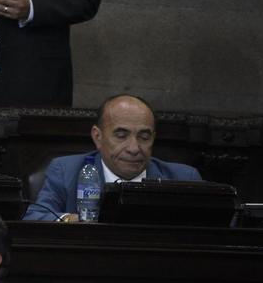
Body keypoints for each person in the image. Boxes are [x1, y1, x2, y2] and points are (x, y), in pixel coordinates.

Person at [23, 94, 203, 222]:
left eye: (144, 137)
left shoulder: (184, 178)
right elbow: (34, 216)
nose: (134, 148)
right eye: (121, 135)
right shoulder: (66, 170)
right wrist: (78, 221)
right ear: (98, 137)